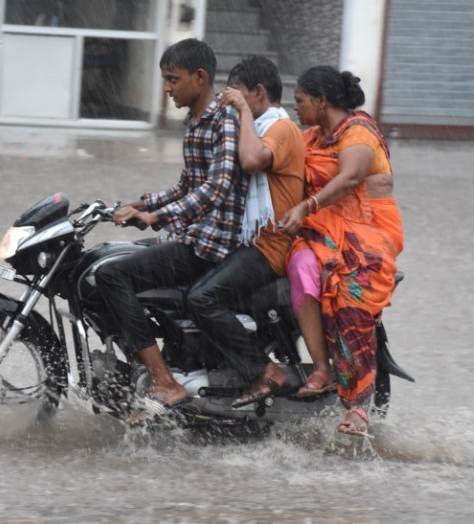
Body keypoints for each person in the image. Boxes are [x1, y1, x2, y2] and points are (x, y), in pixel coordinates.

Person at [94, 38, 248, 423]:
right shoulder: (195, 121)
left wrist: (158, 219)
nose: (166, 88)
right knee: (116, 256)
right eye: (165, 79)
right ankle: (154, 362)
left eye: (172, 79)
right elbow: (186, 186)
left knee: (111, 275)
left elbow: (218, 186)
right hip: (194, 235)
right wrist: (139, 203)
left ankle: (164, 381)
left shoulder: (223, 119)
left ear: (199, 77)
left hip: (212, 244)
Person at [278, 65, 401, 437]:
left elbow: (348, 178)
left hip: (366, 233)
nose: (295, 107)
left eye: (299, 100)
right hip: (319, 232)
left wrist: (305, 207)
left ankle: (358, 406)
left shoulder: (358, 131)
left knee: (349, 293)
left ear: (321, 101)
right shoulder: (312, 137)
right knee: (299, 263)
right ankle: (320, 367)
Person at [185, 55, 305, 408]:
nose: (229, 101)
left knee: (201, 297)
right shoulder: (260, 127)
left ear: (258, 92)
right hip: (250, 242)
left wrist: (243, 112)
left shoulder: (281, 128)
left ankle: (263, 370)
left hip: (270, 248)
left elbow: (252, 161)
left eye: (236, 93)